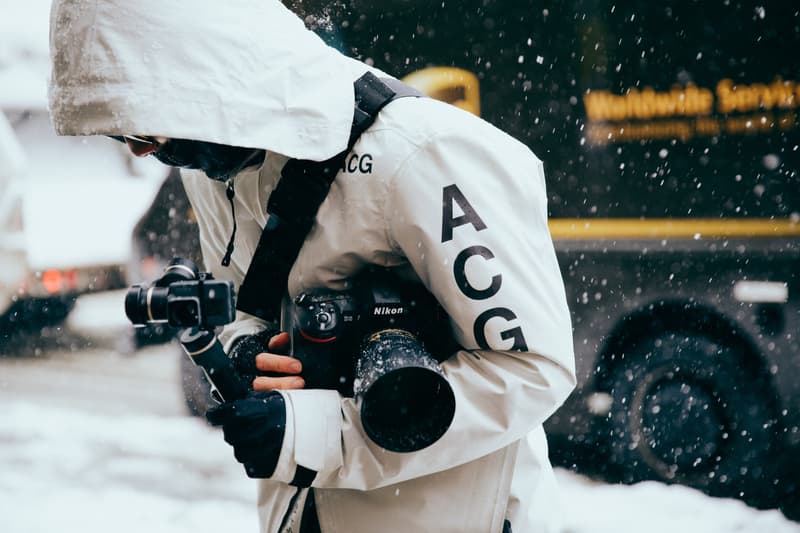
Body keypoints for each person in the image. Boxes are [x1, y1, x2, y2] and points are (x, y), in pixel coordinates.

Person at [48, 1, 577, 531]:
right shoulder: (211, 166)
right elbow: (242, 305)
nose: (142, 151)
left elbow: (533, 369)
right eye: (122, 136)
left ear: (199, 75)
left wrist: (320, 436)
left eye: (141, 126)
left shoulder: (428, 153)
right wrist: (248, 351)